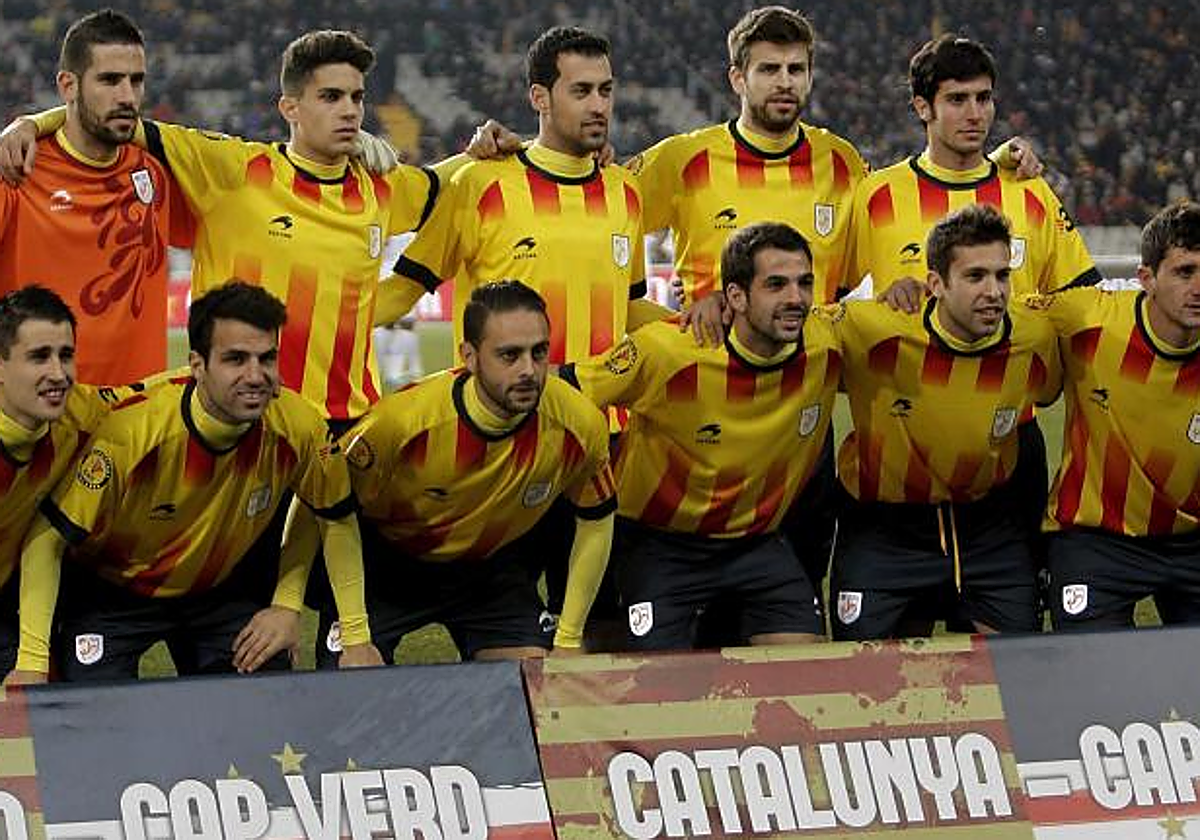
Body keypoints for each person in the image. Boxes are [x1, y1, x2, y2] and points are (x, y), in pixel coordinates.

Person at [15, 282, 379, 681]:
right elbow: (48, 538)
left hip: (218, 592)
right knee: (93, 717)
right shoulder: (131, 435)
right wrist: (31, 664)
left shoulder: (301, 427)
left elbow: (334, 517)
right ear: (197, 365)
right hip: (115, 595)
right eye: (236, 359)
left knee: (267, 697)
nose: (256, 376)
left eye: (267, 359)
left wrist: (303, 614)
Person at [561, 222, 833, 649]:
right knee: (659, 686)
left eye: (804, 283)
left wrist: (907, 289)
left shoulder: (826, 343)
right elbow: (566, 388)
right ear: (736, 297)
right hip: (660, 545)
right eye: (776, 285)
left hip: (756, 545)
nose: (795, 299)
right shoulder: (668, 350)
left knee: (804, 671)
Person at [315, 281, 615, 664]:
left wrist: (569, 639)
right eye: (509, 355)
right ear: (469, 357)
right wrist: (354, 634)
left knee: (539, 686)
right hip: (385, 566)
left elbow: (597, 521)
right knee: (346, 691)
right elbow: (328, 507)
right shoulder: (399, 424)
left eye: (539, 353)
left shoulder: (580, 424)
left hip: (488, 571)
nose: (529, 370)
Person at [829, 204, 1061, 640]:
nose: (993, 291)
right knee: (864, 683)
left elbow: (1048, 389)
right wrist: (716, 306)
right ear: (935, 283)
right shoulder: (873, 328)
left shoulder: (1034, 335)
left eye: (1002, 275)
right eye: (975, 277)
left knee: (1019, 677)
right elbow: (786, 325)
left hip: (989, 528)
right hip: (884, 531)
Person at [385, 25, 669, 362]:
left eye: (605, 91)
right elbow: (402, 292)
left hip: (600, 413)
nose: (599, 106)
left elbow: (630, 308)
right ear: (539, 97)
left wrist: (714, 327)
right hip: (508, 413)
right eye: (581, 91)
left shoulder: (625, 190)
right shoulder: (479, 183)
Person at [0, 10, 191, 385]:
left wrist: (34, 120)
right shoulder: (16, 169)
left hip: (138, 418)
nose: (126, 96)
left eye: (136, 81)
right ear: (67, 85)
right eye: (109, 80)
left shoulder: (155, 171)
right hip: (46, 417)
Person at [1043, 201, 1200, 630]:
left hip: (1193, 541)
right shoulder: (1088, 320)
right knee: (1093, 682)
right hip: (1098, 542)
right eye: (1185, 272)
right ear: (1146, 279)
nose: (1199, 287)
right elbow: (1001, 309)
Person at [848, 34, 1098, 303]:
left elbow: (1083, 304)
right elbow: (830, 300)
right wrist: (880, 304)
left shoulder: (1030, 189)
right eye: (957, 99)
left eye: (983, 98)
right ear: (923, 108)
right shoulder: (877, 194)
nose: (975, 114)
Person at [0, 286, 120, 682]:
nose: (58, 374)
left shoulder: (78, 414)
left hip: (10, 599)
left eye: (65, 355)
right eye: (39, 357)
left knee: (27, 730)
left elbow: (157, 395)